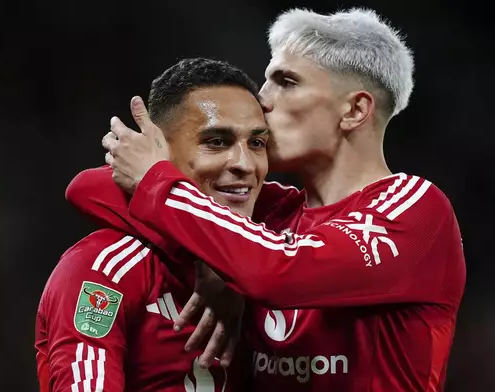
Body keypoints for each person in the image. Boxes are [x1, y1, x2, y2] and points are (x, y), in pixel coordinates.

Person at [98, 7, 467, 392]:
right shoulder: (274, 213)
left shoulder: (414, 210)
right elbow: (89, 189)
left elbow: (275, 270)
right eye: (266, 81)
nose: (262, 100)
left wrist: (219, 250)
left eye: (286, 82)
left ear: (355, 110)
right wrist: (209, 251)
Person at [35, 58, 269, 391]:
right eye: (216, 142)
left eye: (257, 144)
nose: (245, 165)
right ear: (157, 151)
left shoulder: (269, 259)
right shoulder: (101, 269)